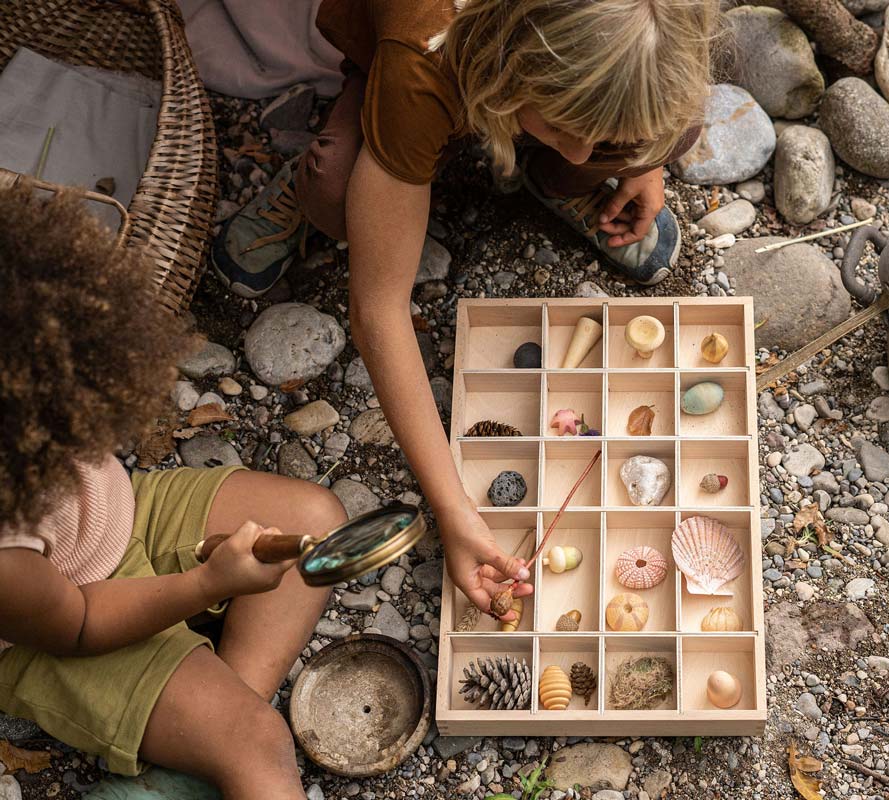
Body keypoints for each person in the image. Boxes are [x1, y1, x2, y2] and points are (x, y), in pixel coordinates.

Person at [211, 0, 718, 621]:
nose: (587, 152)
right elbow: (378, 309)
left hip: (514, 85)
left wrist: (646, 161)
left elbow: (653, 78)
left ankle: (547, 171)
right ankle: (319, 172)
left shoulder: (654, 37)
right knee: (339, 192)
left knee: (661, 130)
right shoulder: (423, 57)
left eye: (601, 136)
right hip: (423, 74)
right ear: (515, 54)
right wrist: (453, 508)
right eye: (566, 125)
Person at [0, 187, 348, 799]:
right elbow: (78, 624)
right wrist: (209, 584)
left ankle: (193, 752)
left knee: (313, 514)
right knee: (259, 743)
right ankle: (215, 745)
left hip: (110, 517)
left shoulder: (23, 366)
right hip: (60, 620)